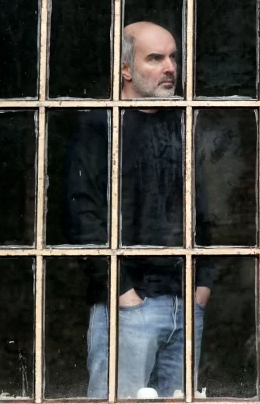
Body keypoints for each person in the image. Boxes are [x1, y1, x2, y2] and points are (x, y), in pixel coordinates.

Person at [66, 21, 214, 398]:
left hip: (185, 304)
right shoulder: (99, 125)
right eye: (156, 58)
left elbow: (204, 212)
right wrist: (122, 293)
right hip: (128, 308)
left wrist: (202, 288)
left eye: (173, 57)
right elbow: (81, 215)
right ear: (126, 69)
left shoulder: (183, 123)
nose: (170, 67)